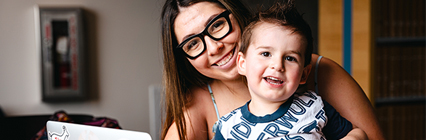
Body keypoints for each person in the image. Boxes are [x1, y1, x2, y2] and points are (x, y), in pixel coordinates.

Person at [160, 0, 384, 140]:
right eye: (193, 44)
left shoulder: (317, 76)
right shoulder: (205, 107)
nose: (214, 47)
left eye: (217, 25)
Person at [213, 2, 366, 139]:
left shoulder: (314, 107)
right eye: (266, 54)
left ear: (304, 74)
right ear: (242, 63)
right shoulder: (228, 129)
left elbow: (358, 133)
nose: (278, 65)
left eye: (290, 58)